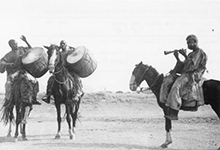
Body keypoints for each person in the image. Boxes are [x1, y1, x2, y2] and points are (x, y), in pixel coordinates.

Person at [161, 34, 207, 120]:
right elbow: (183, 66)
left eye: (189, 43)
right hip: (186, 74)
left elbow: (193, 66)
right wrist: (177, 58)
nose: (188, 45)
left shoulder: (200, 53)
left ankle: (174, 112)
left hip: (193, 75)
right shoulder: (191, 54)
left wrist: (185, 55)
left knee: (176, 86)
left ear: (195, 42)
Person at [0, 35, 41, 105]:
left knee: (35, 81)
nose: (16, 45)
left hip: (24, 71)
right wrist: (9, 64)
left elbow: (31, 50)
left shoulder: (22, 49)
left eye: (16, 43)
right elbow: (1, 62)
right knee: (8, 84)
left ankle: (34, 98)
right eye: (14, 44)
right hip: (14, 73)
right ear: (11, 46)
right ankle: (8, 100)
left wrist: (26, 41)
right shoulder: (9, 55)